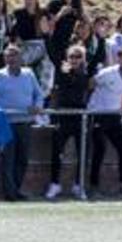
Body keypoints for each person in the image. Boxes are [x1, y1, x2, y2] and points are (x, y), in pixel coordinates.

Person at [0, 44, 43, 201]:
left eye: (15, 55)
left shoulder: (29, 74)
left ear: (21, 57)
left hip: (25, 122)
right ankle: (10, 194)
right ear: (4, 58)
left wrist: (37, 106)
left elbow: (39, 94)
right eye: (8, 55)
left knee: (23, 158)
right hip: (6, 123)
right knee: (7, 159)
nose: (12, 58)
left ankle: (17, 189)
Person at [87, 47, 122, 196]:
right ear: (118, 58)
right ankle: (94, 186)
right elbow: (91, 83)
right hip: (98, 113)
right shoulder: (107, 73)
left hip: (114, 116)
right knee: (99, 150)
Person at [46, 44, 90, 200]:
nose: (75, 60)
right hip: (63, 115)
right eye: (72, 56)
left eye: (78, 57)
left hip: (79, 116)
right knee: (57, 151)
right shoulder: (61, 73)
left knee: (83, 152)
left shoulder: (86, 74)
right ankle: (54, 184)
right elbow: (52, 53)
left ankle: (79, 185)